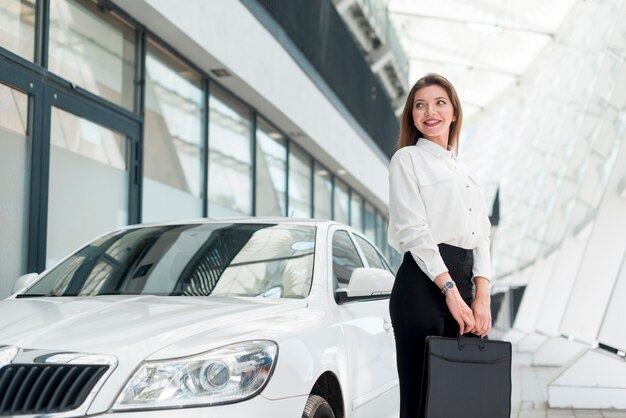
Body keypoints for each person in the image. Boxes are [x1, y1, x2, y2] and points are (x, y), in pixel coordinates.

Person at [387, 73, 492, 418]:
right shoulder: (407, 160)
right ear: (412, 115)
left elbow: (481, 236)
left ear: (454, 113)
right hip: (423, 284)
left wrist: (482, 296)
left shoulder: (467, 173)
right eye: (420, 105)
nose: (429, 111)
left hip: (464, 283)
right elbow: (415, 230)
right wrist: (449, 290)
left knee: (466, 399)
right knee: (421, 400)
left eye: (439, 102)